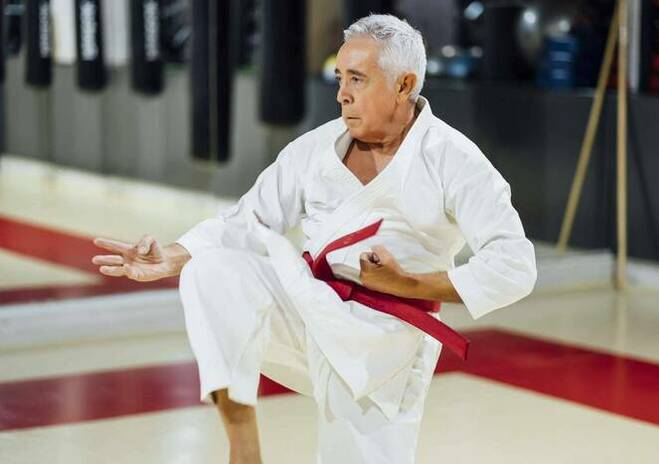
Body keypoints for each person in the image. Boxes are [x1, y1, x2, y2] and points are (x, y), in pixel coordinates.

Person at [92, 14, 537, 464]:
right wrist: (172, 256)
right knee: (211, 270)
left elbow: (514, 264)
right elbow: (247, 220)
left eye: (357, 79)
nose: (342, 93)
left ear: (404, 85)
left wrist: (409, 284)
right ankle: (244, 447)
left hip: (384, 348)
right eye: (340, 77)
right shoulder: (316, 149)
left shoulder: (453, 159)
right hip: (310, 310)